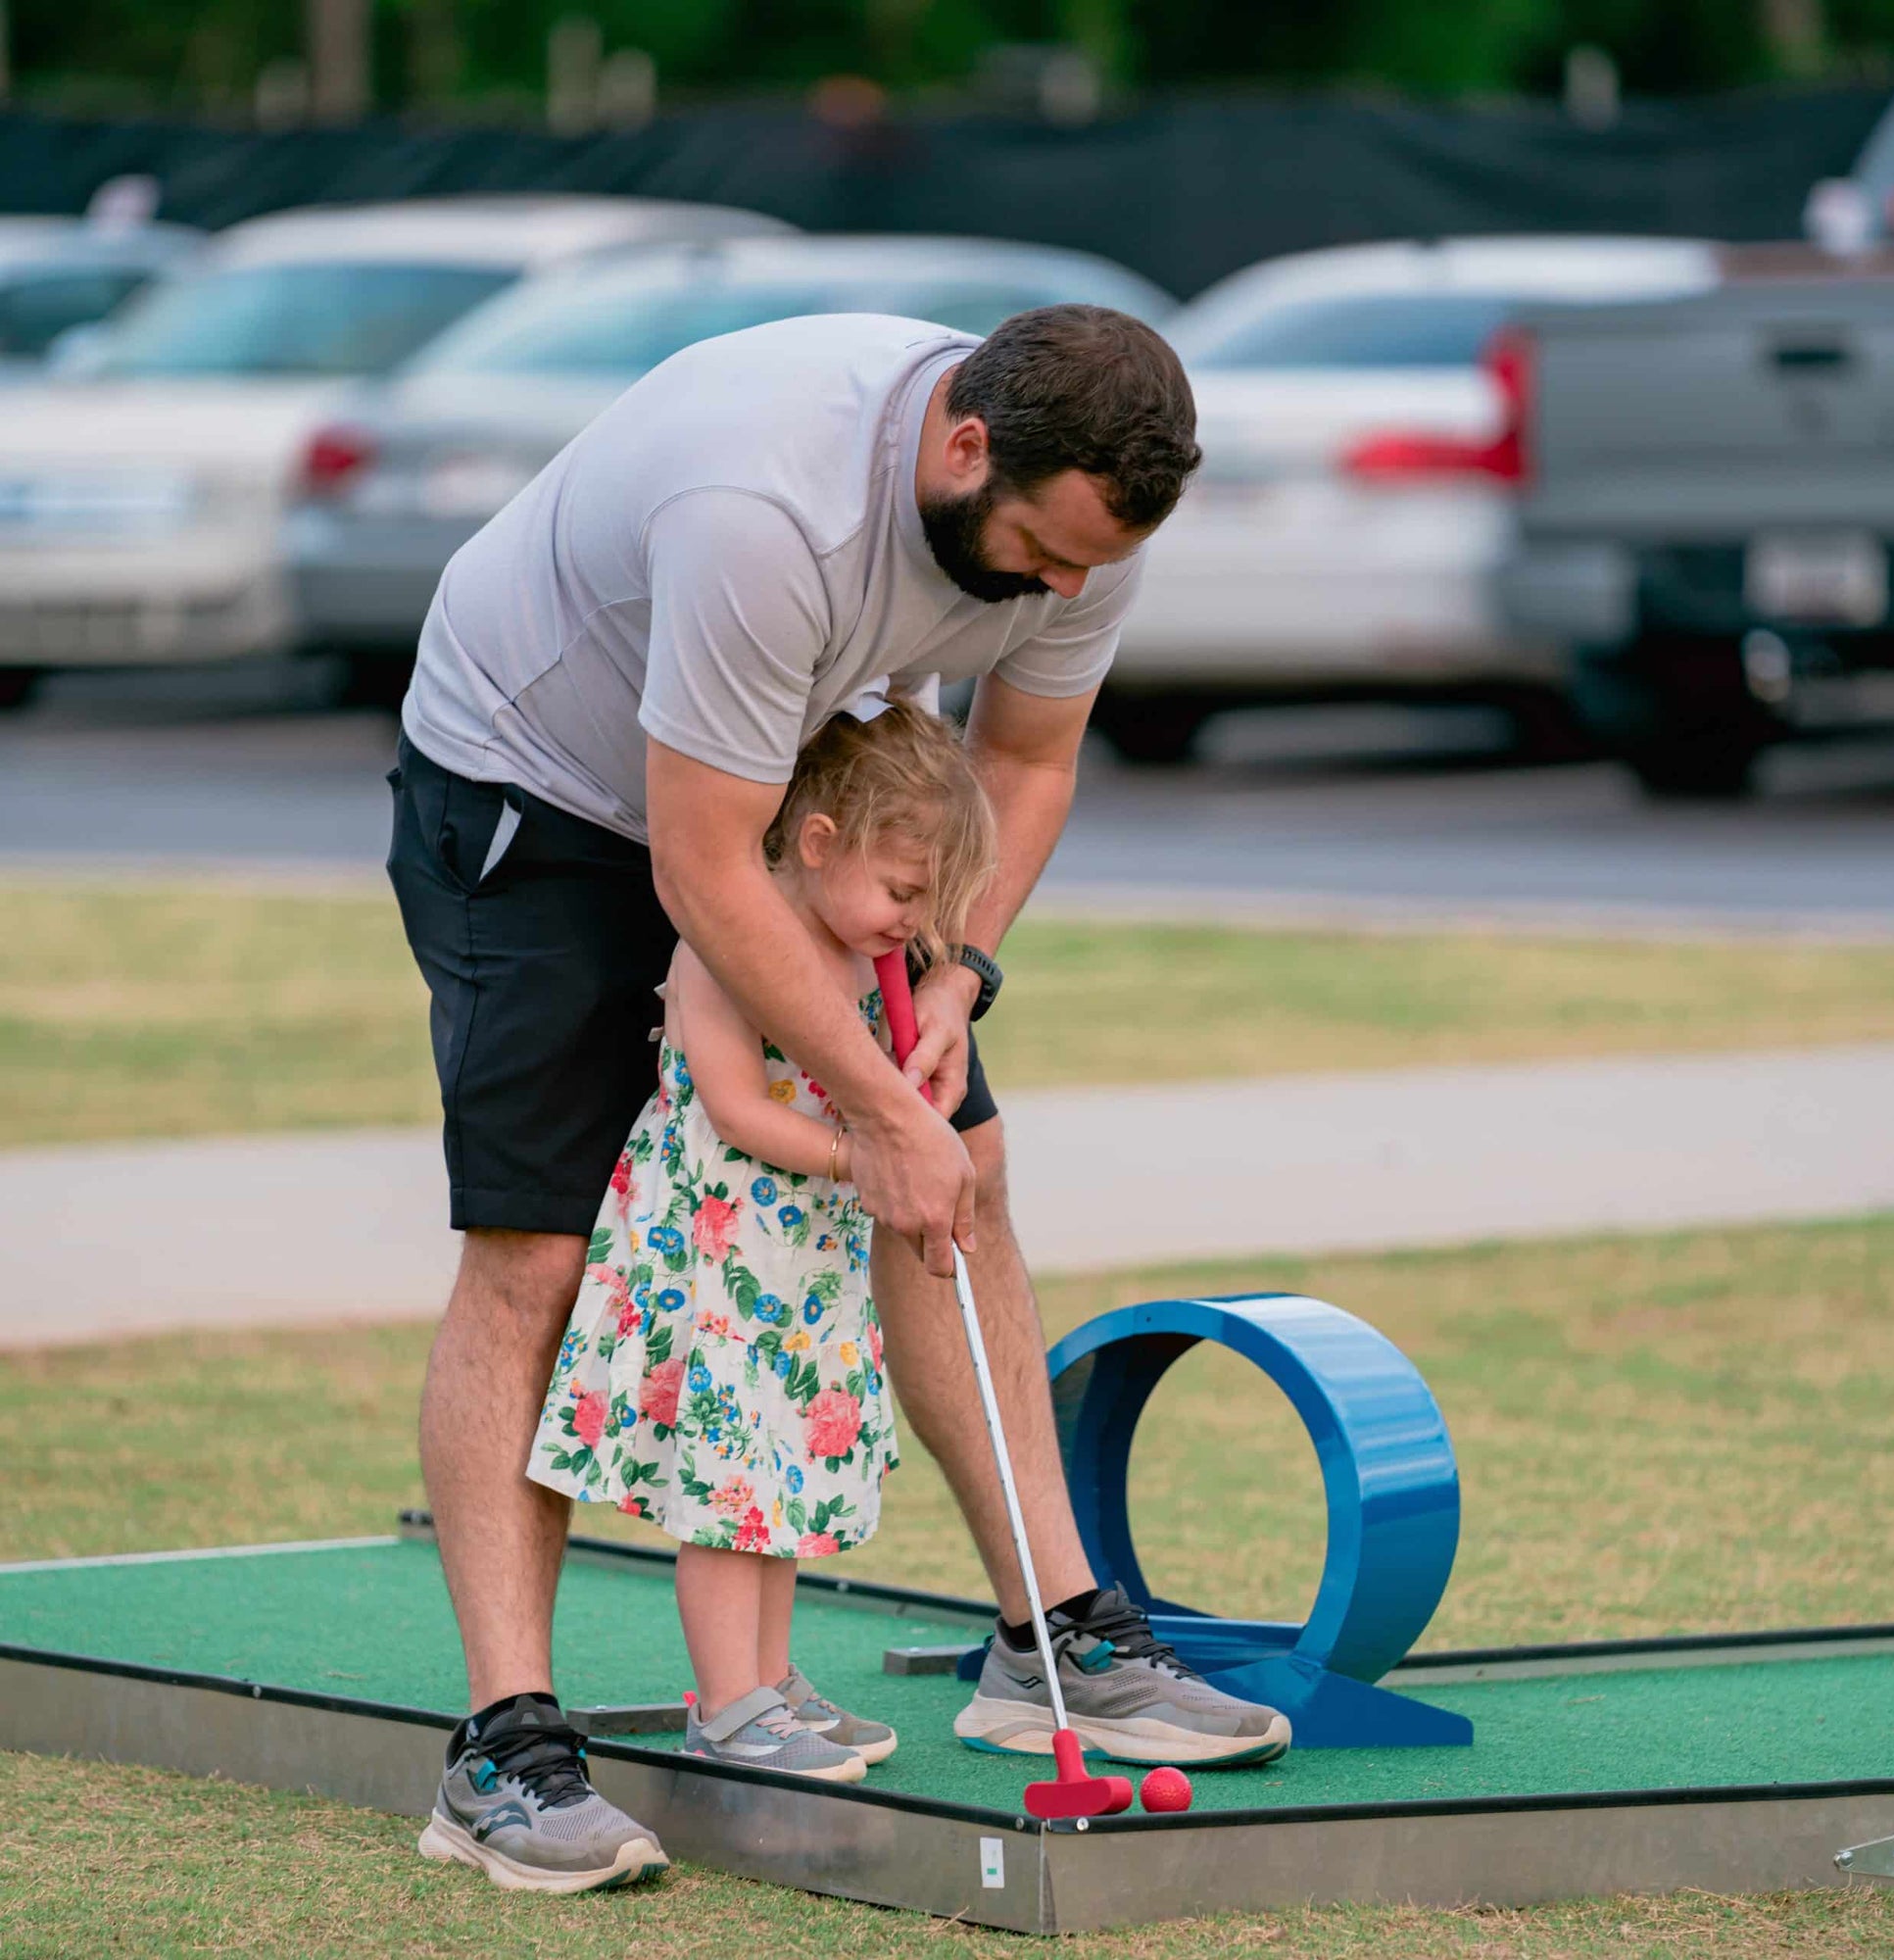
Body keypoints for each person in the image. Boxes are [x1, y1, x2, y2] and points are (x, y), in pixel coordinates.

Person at [389, 303, 1290, 1893]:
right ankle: (505, 1751)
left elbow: (1024, 766)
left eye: (1090, 567)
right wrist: (878, 1109)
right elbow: (700, 862)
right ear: (962, 450)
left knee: (969, 1169)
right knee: (539, 1245)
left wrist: (953, 983)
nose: (1062, 593)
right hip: (544, 782)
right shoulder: (766, 507)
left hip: (806, 804)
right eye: (1034, 553)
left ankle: (1053, 1639)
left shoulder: (1085, 521)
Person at [525, 702, 994, 1788]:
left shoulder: (859, 956)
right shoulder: (728, 952)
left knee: (776, 1479)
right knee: (728, 1488)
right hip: (723, 1261)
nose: (916, 923)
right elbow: (737, 1108)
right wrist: (868, 1152)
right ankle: (725, 1702)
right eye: (903, 891)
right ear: (820, 842)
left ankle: (770, 1681)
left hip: (798, 1273)